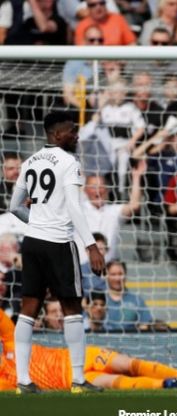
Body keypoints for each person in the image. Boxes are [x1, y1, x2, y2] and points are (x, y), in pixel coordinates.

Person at [8, 111, 105, 394]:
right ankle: (77, 380)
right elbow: (75, 207)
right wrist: (91, 245)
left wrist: (37, 222)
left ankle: (23, 381)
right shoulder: (69, 162)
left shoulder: (29, 162)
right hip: (59, 243)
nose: (76, 135)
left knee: (28, 309)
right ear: (57, 133)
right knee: (72, 308)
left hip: (33, 242)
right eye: (72, 130)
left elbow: (14, 206)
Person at [0, 311, 177, 390]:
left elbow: (2, 319)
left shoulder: (12, 344)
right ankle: (168, 384)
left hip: (79, 356)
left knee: (128, 364)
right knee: (114, 383)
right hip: (69, 380)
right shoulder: (5, 379)